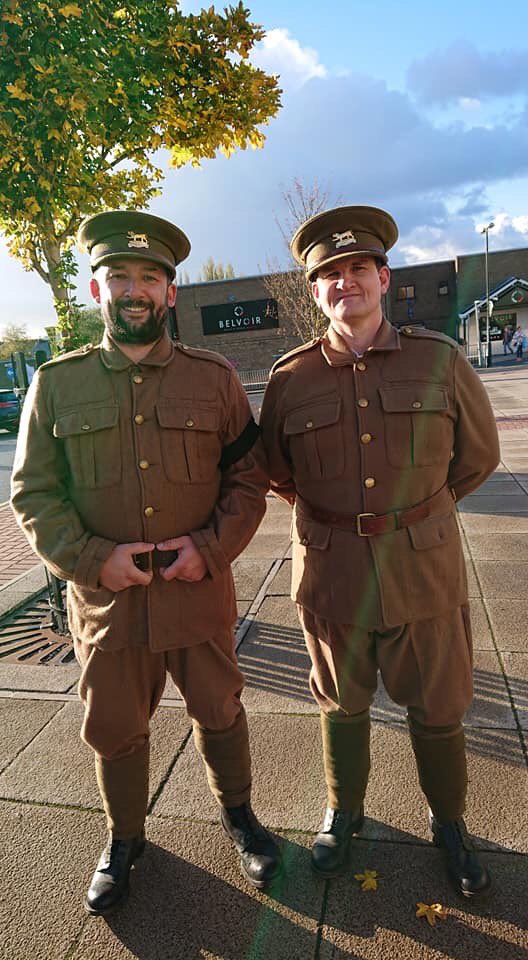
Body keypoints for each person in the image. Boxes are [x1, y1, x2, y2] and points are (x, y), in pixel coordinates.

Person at [11, 210, 281, 916]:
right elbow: (33, 491)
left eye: (151, 277)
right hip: (108, 604)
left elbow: (248, 479)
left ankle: (240, 817)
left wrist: (210, 549)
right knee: (113, 726)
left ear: (169, 292)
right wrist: (94, 561)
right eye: (119, 276)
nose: (135, 289)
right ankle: (125, 838)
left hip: (197, 593)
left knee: (219, 710)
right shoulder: (56, 384)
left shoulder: (214, 380)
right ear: (95, 292)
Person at [259, 205, 500, 897]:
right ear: (314, 292)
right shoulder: (291, 378)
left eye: (358, 267)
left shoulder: (438, 361)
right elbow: (277, 470)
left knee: (439, 705)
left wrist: (412, 517)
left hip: (423, 568)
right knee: (340, 699)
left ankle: (449, 824)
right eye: (329, 275)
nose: (346, 283)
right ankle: (345, 811)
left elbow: (477, 458)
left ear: (383, 276)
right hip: (333, 571)